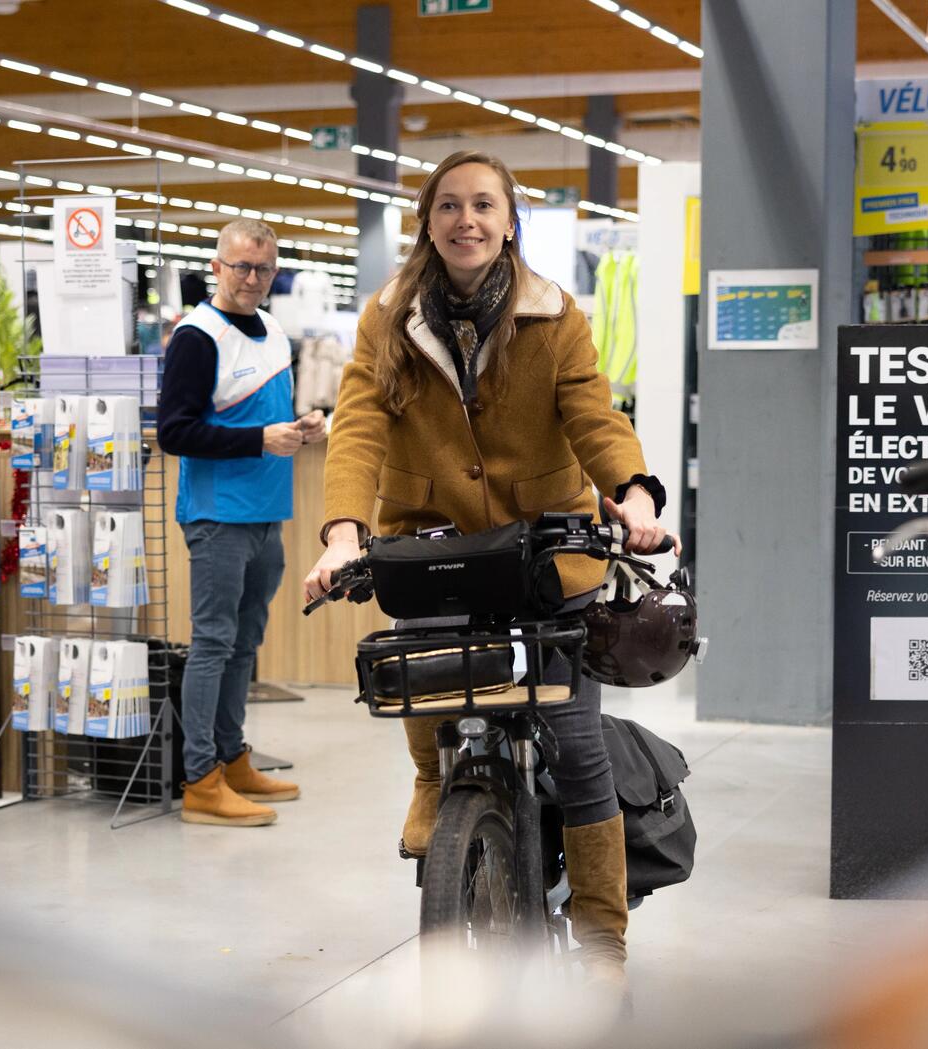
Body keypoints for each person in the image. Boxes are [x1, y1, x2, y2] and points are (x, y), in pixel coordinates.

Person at [305, 151, 674, 991]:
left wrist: (636, 494)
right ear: (427, 221)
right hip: (433, 543)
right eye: (448, 206)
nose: (465, 220)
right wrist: (341, 532)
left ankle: (602, 941)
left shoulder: (555, 314)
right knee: (423, 671)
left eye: (483, 205)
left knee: (579, 750)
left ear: (510, 221)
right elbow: (358, 425)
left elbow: (592, 410)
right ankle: (434, 778)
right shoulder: (387, 318)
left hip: (547, 546)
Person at [159, 218, 325, 827]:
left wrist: (299, 428)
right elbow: (174, 432)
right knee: (212, 644)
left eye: (263, 269)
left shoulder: (275, 331)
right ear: (218, 267)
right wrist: (259, 439)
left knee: (243, 645)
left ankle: (231, 759)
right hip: (217, 516)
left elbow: (262, 417)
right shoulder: (197, 337)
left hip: (266, 514)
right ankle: (200, 780)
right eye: (241, 268)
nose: (252, 279)